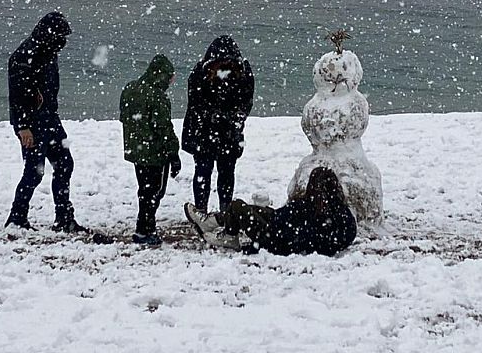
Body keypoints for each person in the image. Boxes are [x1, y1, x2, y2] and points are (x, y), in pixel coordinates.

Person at [5, 11, 86, 232]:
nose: (63, 43)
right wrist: (23, 127)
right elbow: (17, 97)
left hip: (50, 118)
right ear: (49, 34)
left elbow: (48, 90)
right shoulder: (24, 56)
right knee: (34, 171)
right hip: (31, 123)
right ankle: (17, 218)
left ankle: (63, 218)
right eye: (60, 37)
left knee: (64, 164)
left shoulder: (49, 52)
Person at [187, 167, 357, 256]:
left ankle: (228, 234)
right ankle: (214, 222)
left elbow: (287, 223)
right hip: (283, 229)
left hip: (274, 236)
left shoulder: (310, 207)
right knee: (253, 209)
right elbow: (346, 234)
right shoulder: (340, 213)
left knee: (238, 206)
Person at [181, 35, 254, 217]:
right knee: (209, 171)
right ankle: (207, 210)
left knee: (218, 172)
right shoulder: (203, 75)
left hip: (222, 133)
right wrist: (228, 118)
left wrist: (233, 119)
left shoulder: (205, 74)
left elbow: (245, 103)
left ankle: (220, 209)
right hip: (209, 133)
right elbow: (196, 105)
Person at [119, 54, 182, 246]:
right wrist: (173, 153)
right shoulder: (157, 96)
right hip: (154, 152)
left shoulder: (130, 88)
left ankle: (145, 226)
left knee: (144, 190)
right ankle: (145, 229)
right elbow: (163, 127)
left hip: (136, 149)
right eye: (170, 77)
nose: (171, 81)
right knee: (155, 191)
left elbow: (124, 116)